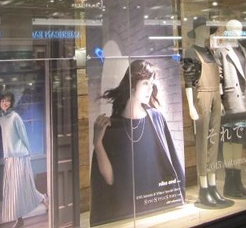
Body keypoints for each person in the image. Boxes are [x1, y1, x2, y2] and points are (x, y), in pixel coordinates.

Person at [90, 60, 185, 226]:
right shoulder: (112, 127)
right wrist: (97, 144)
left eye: (152, 84)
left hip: (159, 205)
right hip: (128, 210)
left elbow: (171, 163)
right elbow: (110, 180)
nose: (150, 88)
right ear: (132, 85)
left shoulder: (156, 118)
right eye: (145, 83)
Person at [182, 17, 233, 209]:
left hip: (215, 96)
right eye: (204, 29)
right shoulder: (190, 52)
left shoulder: (209, 51)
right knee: (202, 141)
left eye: (207, 29)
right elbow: (188, 80)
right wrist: (191, 106)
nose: (206, 32)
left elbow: (217, 76)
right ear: (196, 30)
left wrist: (220, 100)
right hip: (201, 95)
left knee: (214, 141)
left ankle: (213, 186)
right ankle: (203, 189)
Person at [213, 19, 246, 199]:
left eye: (240, 29)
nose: (238, 32)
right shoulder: (221, 50)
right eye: (234, 29)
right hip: (231, 101)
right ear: (228, 31)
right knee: (229, 141)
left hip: (245, 102)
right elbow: (217, 78)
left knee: (238, 141)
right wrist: (219, 102)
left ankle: (238, 180)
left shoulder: (242, 49)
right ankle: (229, 182)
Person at [0, 92, 48, 228]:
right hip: (9, 158)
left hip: (21, 156)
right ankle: (19, 219)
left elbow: (23, 136)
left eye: (7, 101)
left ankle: (42, 199)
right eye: (2, 101)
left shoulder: (15, 117)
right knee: (12, 190)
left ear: (11, 103)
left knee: (21, 188)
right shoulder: (1, 119)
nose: (4, 103)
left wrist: (29, 153)